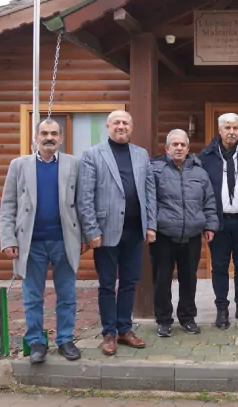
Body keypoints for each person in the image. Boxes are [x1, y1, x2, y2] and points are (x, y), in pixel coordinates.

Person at [0, 118, 82, 364]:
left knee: (67, 294)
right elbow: (8, 204)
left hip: (64, 241)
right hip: (30, 243)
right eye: (44, 133)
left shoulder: (74, 164)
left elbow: (82, 202)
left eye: (54, 133)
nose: (49, 137)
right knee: (32, 295)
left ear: (61, 138)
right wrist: (8, 238)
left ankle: (65, 339)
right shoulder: (19, 165)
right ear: (36, 137)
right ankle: (36, 342)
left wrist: (86, 236)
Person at [77, 110, 156, 355]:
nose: (121, 126)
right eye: (116, 123)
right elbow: (85, 196)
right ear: (108, 126)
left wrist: (151, 224)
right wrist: (91, 231)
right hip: (105, 232)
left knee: (130, 282)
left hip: (134, 231)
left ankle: (125, 329)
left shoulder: (141, 154)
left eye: (125, 123)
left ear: (131, 127)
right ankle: (108, 333)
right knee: (107, 284)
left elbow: (149, 191)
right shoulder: (92, 155)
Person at [149, 129, 219, 338]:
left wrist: (210, 226)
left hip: (191, 236)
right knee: (162, 280)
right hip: (163, 235)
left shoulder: (199, 172)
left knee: (189, 279)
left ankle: (187, 318)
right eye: (175, 144)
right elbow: (149, 202)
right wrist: (151, 227)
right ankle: (163, 320)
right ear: (167, 148)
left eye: (182, 145)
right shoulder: (155, 170)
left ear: (188, 149)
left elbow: (209, 201)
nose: (179, 148)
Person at [199, 113, 238, 329]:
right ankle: (221, 310)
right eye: (227, 128)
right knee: (219, 267)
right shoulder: (206, 156)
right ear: (219, 131)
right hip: (217, 223)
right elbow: (201, 192)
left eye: (235, 128)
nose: (231, 132)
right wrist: (207, 222)